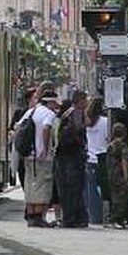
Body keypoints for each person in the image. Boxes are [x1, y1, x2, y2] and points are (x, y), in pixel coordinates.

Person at [22, 87, 59, 226]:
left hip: (29, 155)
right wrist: (44, 148)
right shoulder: (49, 114)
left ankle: (31, 216)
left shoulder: (31, 111)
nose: (56, 106)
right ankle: (38, 218)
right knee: (42, 186)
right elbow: (46, 128)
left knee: (30, 185)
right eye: (55, 103)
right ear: (50, 102)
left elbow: (18, 127)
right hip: (42, 157)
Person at [53, 90, 89, 228]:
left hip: (64, 155)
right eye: (85, 100)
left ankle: (74, 218)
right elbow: (79, 132)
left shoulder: (67, 113)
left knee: (68, 189)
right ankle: (73, 218)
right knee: (74, 188)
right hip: (72, 156)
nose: (87, 103)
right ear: (80, 101)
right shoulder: (77, 113)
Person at [84, 97, 108, 226]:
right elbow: (107, 138)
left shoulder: (87, 122)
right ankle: (99, 216)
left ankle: (90, 215)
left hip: (89, 157)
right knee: (100, 189)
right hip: (101, 156)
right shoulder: (105, 122)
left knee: (89, 189)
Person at [103, 121, 128, 229]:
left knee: (114, 196)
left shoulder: (110, 145)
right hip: (120, 174)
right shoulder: (123, 146)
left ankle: (115, 219)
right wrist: (126, 175)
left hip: (111, 173)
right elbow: (124, 161)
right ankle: (116, 219)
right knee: (121, 198)